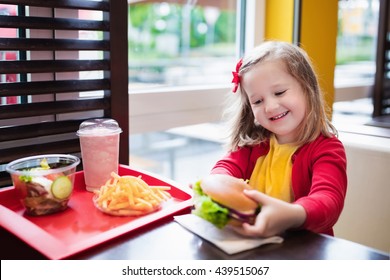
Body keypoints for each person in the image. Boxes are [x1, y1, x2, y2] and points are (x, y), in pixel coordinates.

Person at [208, 41, 347, 237]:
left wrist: (292, 214)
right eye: (257, 101)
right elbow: (226, 167)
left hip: (304, 253)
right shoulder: (252, 143)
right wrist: (215, 184)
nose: (270, 107)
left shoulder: (326, 149)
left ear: (307, 89)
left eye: (279, 92)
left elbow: (329, 201)